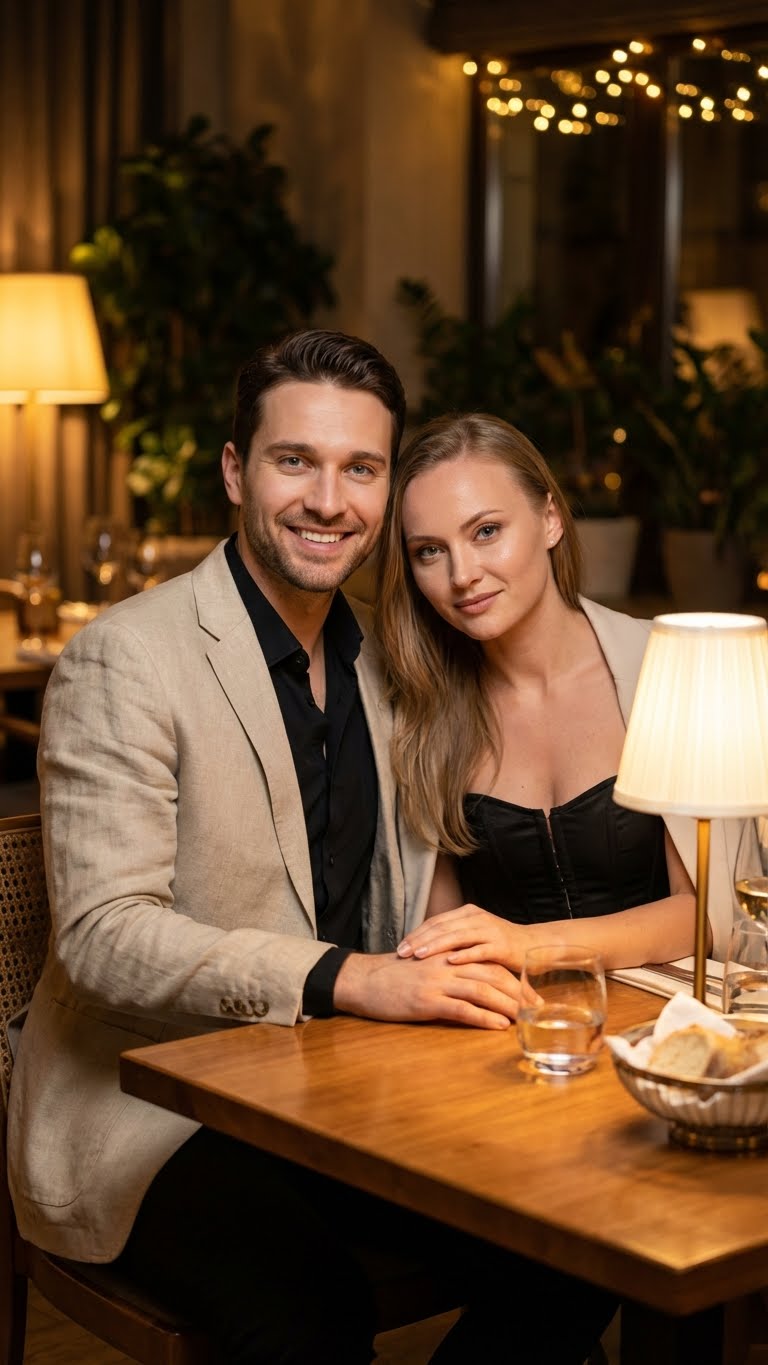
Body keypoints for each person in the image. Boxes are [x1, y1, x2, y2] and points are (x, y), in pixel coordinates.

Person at [8, 335, 590, 1365]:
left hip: (341, 1095)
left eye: (361, 468)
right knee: (311, 1311)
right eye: (295, 461)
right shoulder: (125, 659)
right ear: (237, 471)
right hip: (150, 1109)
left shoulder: (392, 657)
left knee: (574, 1234)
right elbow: (102, 938)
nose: (329, 500)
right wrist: (348, 978)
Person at [376, 412, 737, 978]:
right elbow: (441, 937)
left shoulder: (666, 670)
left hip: (660, 1018)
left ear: (550, 519)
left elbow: (706, 915)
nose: (462, 574)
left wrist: (529, 945)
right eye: (429, 551)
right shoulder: (421, 710)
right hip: (507, 1020)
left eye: (486, 532)